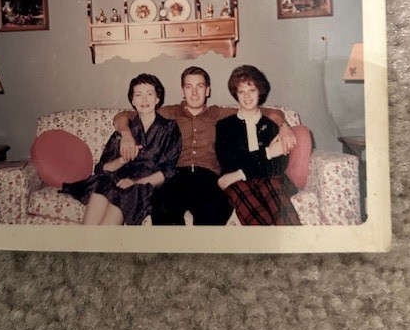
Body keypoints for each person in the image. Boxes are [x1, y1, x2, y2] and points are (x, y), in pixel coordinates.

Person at [114, 66, 296, 225]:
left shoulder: (219, 113)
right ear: (182, 91)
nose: (194, 93)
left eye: (200, 86)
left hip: (209, 178)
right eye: (189, 87)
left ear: (207, 90)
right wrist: (126, 134)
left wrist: (284, 126)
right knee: (162, 207)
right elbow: (123, 116)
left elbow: (269, 111)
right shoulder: (169, 112)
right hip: (176, 177)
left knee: (214, 211)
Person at [81, 74, 181, 226]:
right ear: (133, 101)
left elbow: (168, 171)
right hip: (117, 179)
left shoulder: (169, 128)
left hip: (142, 185)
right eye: (138, 95)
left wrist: (134, 182)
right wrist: (122, 160)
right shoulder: (125, 130)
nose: (144, 100)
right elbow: (102, 168)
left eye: (149, 94)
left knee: (108, 222)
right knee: (102, 184)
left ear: (157, 99)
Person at [215, 65, 301, 225]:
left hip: (267, 178)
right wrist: (268, 152)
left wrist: (241, 173)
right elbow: (229, 161)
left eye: (251, 90)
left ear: (260, 92)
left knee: (272, 182)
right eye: (241, 91)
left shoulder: (272, 126)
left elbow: (278, 165)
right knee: (238, 188)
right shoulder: (224, 126)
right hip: (237, 182)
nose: (247, 96)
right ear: (236, 94)